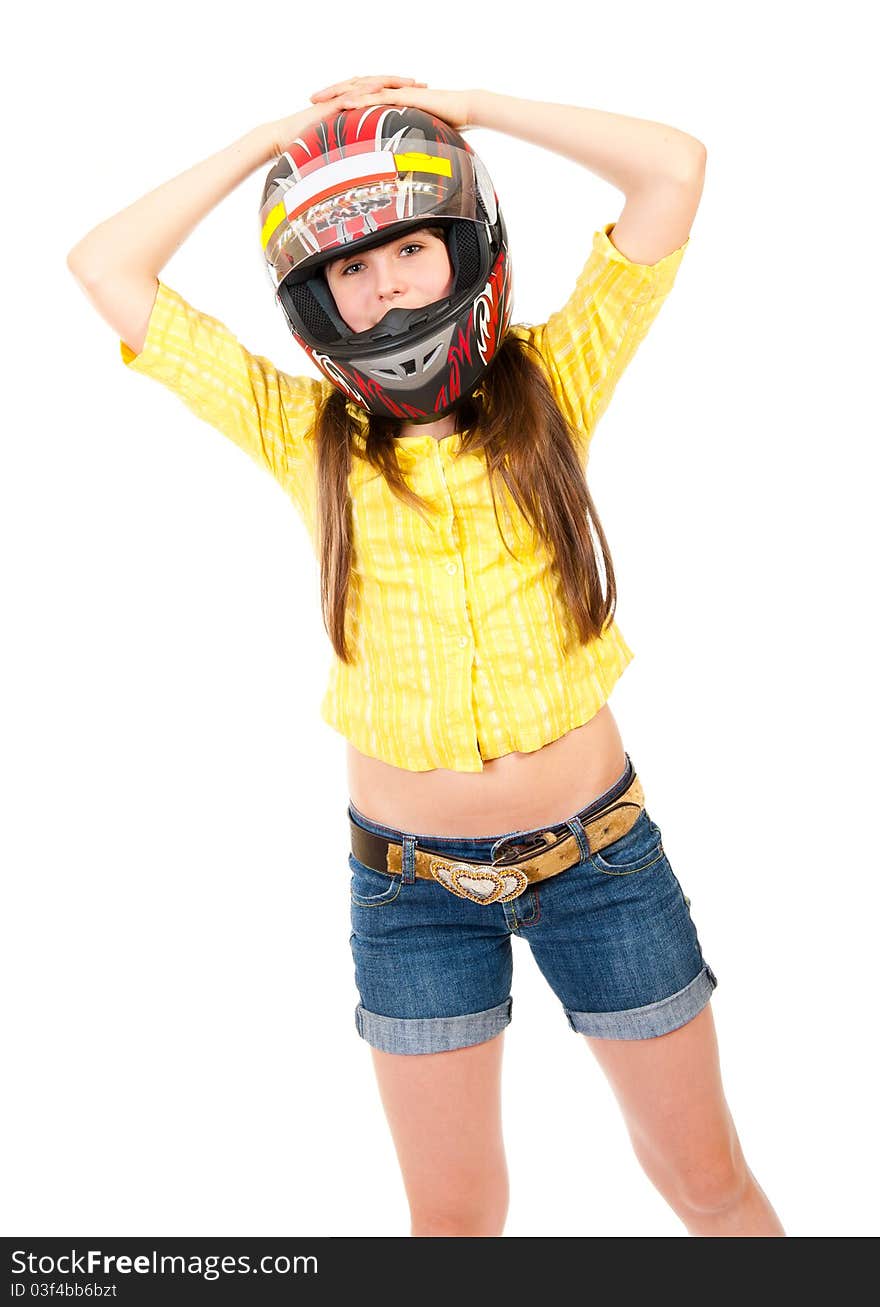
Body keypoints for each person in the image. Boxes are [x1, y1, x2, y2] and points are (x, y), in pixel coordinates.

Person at [67, 75, 784, 1238]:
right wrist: (274, 146)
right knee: (453, 1225)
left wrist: (472, 111)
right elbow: (106, 267)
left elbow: (673, 170)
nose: (385, 279)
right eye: (349, 266)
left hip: (603, 865)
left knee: (705, 1182)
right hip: (409, 893)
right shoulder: (301, 432)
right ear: (316, 299)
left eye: (406, 245)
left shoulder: (556, 383)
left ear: (465, 242)